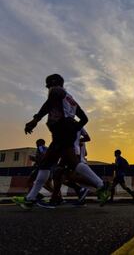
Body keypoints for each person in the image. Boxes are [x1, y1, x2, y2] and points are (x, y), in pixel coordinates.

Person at [13, 74, 110, 209]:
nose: (48, 89)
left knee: (66, 163)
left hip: (62, 131)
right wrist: (74, 128)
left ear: (54, 83)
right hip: (63, 131)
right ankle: (30, 198)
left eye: (49, 85)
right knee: (47, 164)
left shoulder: (57, 91)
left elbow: (48, 105)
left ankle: (101, 185)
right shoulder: (71, 99)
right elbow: (84, 119)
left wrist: (35, 120)